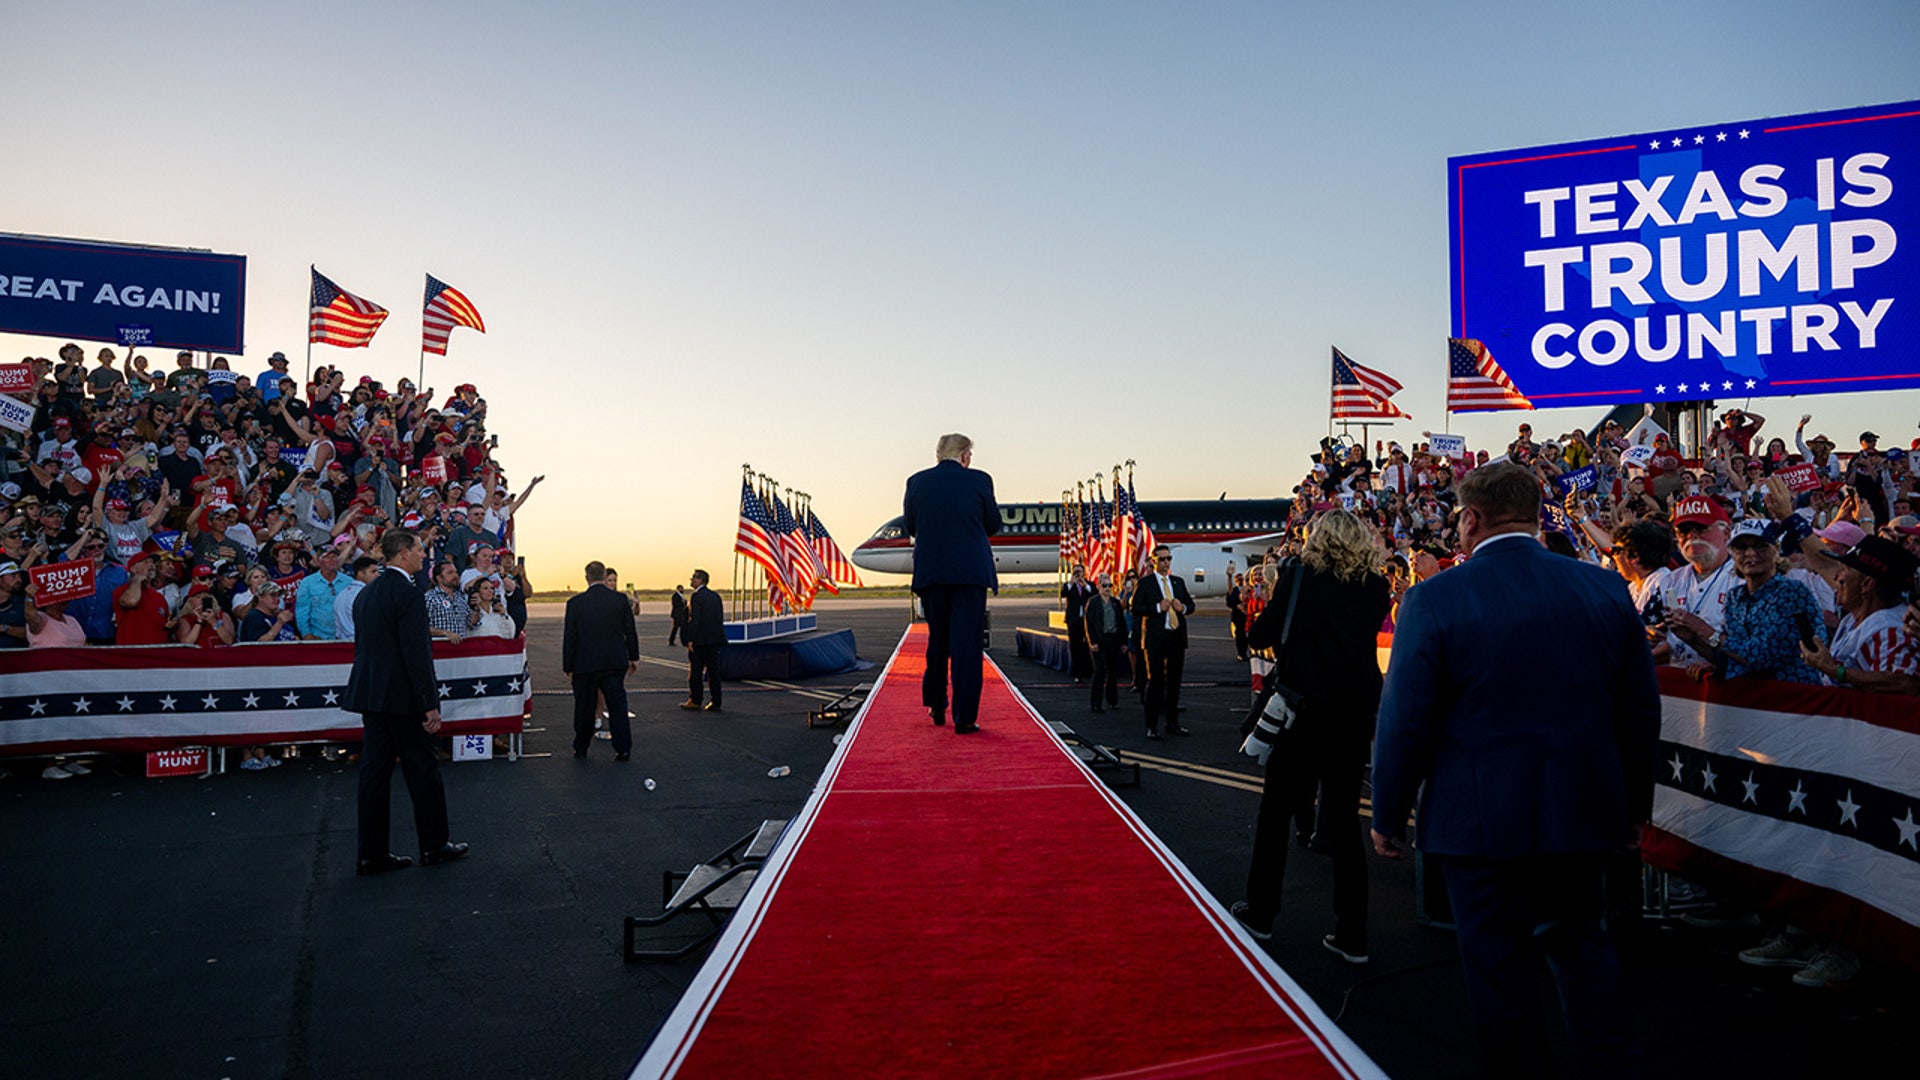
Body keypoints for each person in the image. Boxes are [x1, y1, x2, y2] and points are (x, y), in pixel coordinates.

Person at [1370, 462, 1660, 1080]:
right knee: (1585, 954)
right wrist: (1636, 809)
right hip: (1583, 810)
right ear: (1533, 515)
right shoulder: (1604, 589)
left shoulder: (1433, 598)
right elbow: (1639, 712)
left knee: (1499, 975)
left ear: (1471, 519)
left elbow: (1405, 720)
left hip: (1478, 822)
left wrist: (1388, 812)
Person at [1232, 510, 1393, 963]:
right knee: (1343, 821)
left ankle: (1261, 913)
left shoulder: (1299, 576)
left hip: (1302, 711)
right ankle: (1351, 933)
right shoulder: (1376, 587)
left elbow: (1262, 634)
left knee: (1276, 812)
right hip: (1353, 713)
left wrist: (1265, 594)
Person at [343, 528, 466, 876]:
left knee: (374, 776)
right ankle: (434, 844)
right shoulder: (409, 595)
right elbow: (416, 653)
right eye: (419, 550)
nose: (424, 555)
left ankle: (371, 853)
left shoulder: (367, 594)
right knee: (423, 771)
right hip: (403, 699)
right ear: (401, 556)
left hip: (371, 697)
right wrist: (429, 704)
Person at [903, 433, 1000, 734]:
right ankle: (965, 718)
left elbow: (910, 525)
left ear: (938, 455)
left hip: (933, 574)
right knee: (967, 647)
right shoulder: (980, 480)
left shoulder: (916, 482)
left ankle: (936, 705)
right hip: (970, 576)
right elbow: (993, 524)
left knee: (938, 641)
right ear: (966, 455)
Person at [562, 560, 639, 760]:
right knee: (617, 706)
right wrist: (634, 656)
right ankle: (623, 748)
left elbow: (570, 637)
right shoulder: (620, 600)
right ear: (604, 576)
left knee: (584, 708)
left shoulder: (575, 603)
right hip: (613, 662)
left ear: (586, 577)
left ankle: (581, 747)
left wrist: (568, 665)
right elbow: (630, 630)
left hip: (584, 664)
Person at [1130, 544, 1193, 739]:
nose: (1166, 563)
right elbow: (1136, 608)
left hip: (1175, 637)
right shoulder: (1146, 583)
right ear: (1154, 561)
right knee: (1155, 681)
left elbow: (1191, 605)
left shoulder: (1178, 582)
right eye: (1162, 559)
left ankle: (1172, 723)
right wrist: (1157, 607)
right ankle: (1151, 725)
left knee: (1174, 682)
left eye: (1168, 559)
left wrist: (1182, 608)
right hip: (1156, 639)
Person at [680, 568, 727, 712]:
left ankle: (695, 700)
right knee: (714, 673)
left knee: (696, 672)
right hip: (714, 640)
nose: (691, 580)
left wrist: (690, 639)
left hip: (700, 641)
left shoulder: (697, 597)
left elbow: (695, 620)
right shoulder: (715, 596)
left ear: (701, 580)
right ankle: (716, 701)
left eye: (694, 577)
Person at [1083, 573, 1127, 713]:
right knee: (1099, 672)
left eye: (1109, 585)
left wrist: (1123, 642)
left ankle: (1112, 701)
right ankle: (1096, 703)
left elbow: (1121, 623)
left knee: (1113, 673)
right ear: (1098, 586)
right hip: (1099, 641)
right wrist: (1092, 641)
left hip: (1113, 640)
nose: (1107, 588)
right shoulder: (1093, 602)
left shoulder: (1115, 603)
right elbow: (1088, 623)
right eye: (1104, 585)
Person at [1059, 565, 1094, 681]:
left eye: (1080, 572)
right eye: (1076, 572)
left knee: (1088, 646)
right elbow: (1063, 593)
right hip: (1074, 621)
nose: (1079, 575)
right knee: (1075, 647)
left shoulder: (1089, 585)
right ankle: (1077, 673)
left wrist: (1084, 584)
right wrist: (1071, 582)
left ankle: (1089, 671)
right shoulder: (1069, 586)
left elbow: (1094, 593)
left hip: (1086, 620)